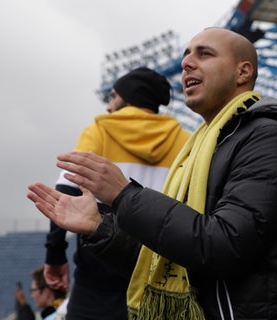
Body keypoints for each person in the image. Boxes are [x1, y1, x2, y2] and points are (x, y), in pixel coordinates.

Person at [28, 27, 277, 319]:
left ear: (243, 72)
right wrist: (99, 227)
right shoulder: (198, 146)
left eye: (205, 53)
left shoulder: (270, 140)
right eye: (186, 55)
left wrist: (124, 195)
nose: (186, 63)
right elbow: (173, 257)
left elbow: (223, 247)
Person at [43, 67, 190, 320]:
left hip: (96, 280)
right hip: (158, 278)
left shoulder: (100, 130)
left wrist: (55, 256)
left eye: (113, 97)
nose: (109, 107)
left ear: (129, 97)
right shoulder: (185, 141)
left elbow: (64, 196)